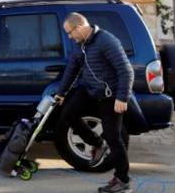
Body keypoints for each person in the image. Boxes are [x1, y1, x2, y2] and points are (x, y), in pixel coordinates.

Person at [54, 12, 134, 193]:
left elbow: (126, 70)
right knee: (67, 114)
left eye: (70, 32)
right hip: (89, 89)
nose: (69, 37)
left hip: (110, 94)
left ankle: (123, 180)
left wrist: (122, 97)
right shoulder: (80, 44)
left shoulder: (107, 41)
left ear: (80, 28)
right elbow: (72, 68)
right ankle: (97, 143)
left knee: (114, 137)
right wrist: (62, 93)